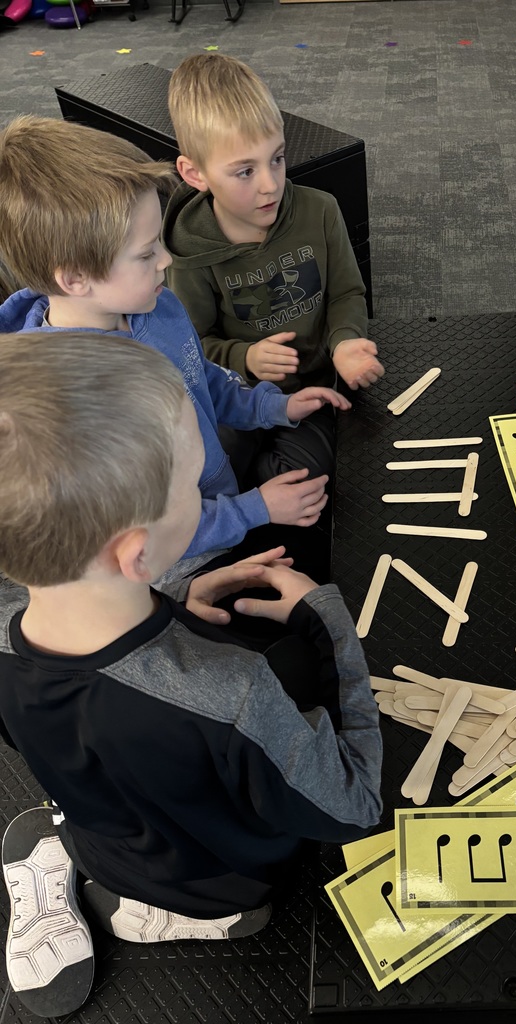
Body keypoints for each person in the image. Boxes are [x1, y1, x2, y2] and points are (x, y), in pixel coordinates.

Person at [0, 331, 383, 1018]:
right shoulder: (232, 692)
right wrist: (326, 618)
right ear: (139, 554)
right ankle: (179, 914)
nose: (207, 484)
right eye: (191, 482)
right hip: (224, 880)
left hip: (109, 834)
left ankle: (89, 866)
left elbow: (81, 691)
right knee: (294, 672)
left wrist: (169, 603)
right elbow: (353, 804)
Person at [0, 115, 351, 577]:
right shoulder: (73, 410)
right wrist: (254, 510)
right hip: (179, 556)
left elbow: (200, 377)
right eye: (147, 254)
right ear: (75, 279)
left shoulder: (156, 304)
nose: (167, 260)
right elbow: (149, 533)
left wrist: (272, 408)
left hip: (216, 482)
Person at [163, 53, 385, 483]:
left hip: (311, 388)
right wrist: (244, 357)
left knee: (310, 476)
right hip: (235, 393)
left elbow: (345, 293)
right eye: (245, 171)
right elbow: (190, 346)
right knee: (205, 471)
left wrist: (344, 343)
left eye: (277, 159)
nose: (271, 184)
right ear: (195, 174)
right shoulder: (187, 251)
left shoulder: (320, 210)